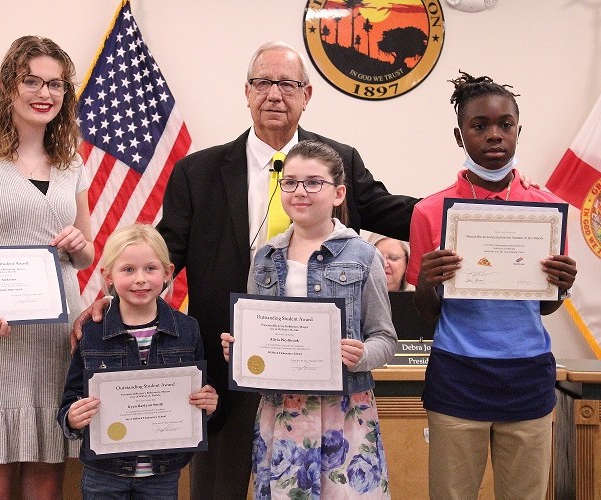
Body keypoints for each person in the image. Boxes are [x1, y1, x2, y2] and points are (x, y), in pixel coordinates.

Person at [74, 40, 417, 499]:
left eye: (287, 84)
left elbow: (391, 212)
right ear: (247, 91)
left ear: (306, 94)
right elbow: (164, 253)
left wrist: (464, 210)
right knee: (221, 488)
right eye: (263, 82)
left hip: (326, 386)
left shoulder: (337, 163)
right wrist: (113, 302)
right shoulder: (198, 172)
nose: (274, 94)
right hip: (228, 362)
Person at [406, 71, 577, 499]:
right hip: (458, 373)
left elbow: (543, 308)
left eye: (505, 125)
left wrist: (561, 286)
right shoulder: (430, 211)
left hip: (528, 373)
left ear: (519, 130)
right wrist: (429, 279)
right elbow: (426, 311)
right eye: (479, 126)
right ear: (459, 135)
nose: (494, 135)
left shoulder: (547, 210)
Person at [0, 36, 94, 498]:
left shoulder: (72, 164)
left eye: (55, 84)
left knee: (46, 483)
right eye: (31, 81)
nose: (43, 93)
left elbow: (88, 255)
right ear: (9, 86)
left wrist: (78, 242)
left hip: (54, 336)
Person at [221, 140, 397, 498]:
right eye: (290, 182)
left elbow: (384, 337)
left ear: (338, 193)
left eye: (313, 182)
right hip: (282, 410)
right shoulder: (266, 257)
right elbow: (257, 334)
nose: (300, 191)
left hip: (344, 412)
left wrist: (362, 354)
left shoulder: (363, 256)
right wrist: (240, 353)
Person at [58, 223, 217, 499]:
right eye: (128, 269)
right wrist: (72, 418)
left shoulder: (188, 329)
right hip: (103, 473)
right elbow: (71, 397)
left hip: (163, 473)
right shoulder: (92, 333)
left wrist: (209, 403)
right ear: (107, 276)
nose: (140, 279)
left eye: (150, 269)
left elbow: (200, 392)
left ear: (168, 273)